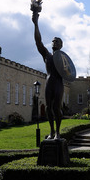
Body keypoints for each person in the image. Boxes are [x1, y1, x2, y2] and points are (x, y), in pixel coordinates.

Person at [32, 12, 64, 140]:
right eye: (53, 41)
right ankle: (51, 131)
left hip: (58, 84)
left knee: (57, 108)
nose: (54, 42)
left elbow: (69, 73)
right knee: (48, 108)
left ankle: (58, 132)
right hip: (49, 82)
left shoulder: (63, 59)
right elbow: (38, 41)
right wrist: (36, 24)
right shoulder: (47, 55)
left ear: (61, 45)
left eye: (56, 41)